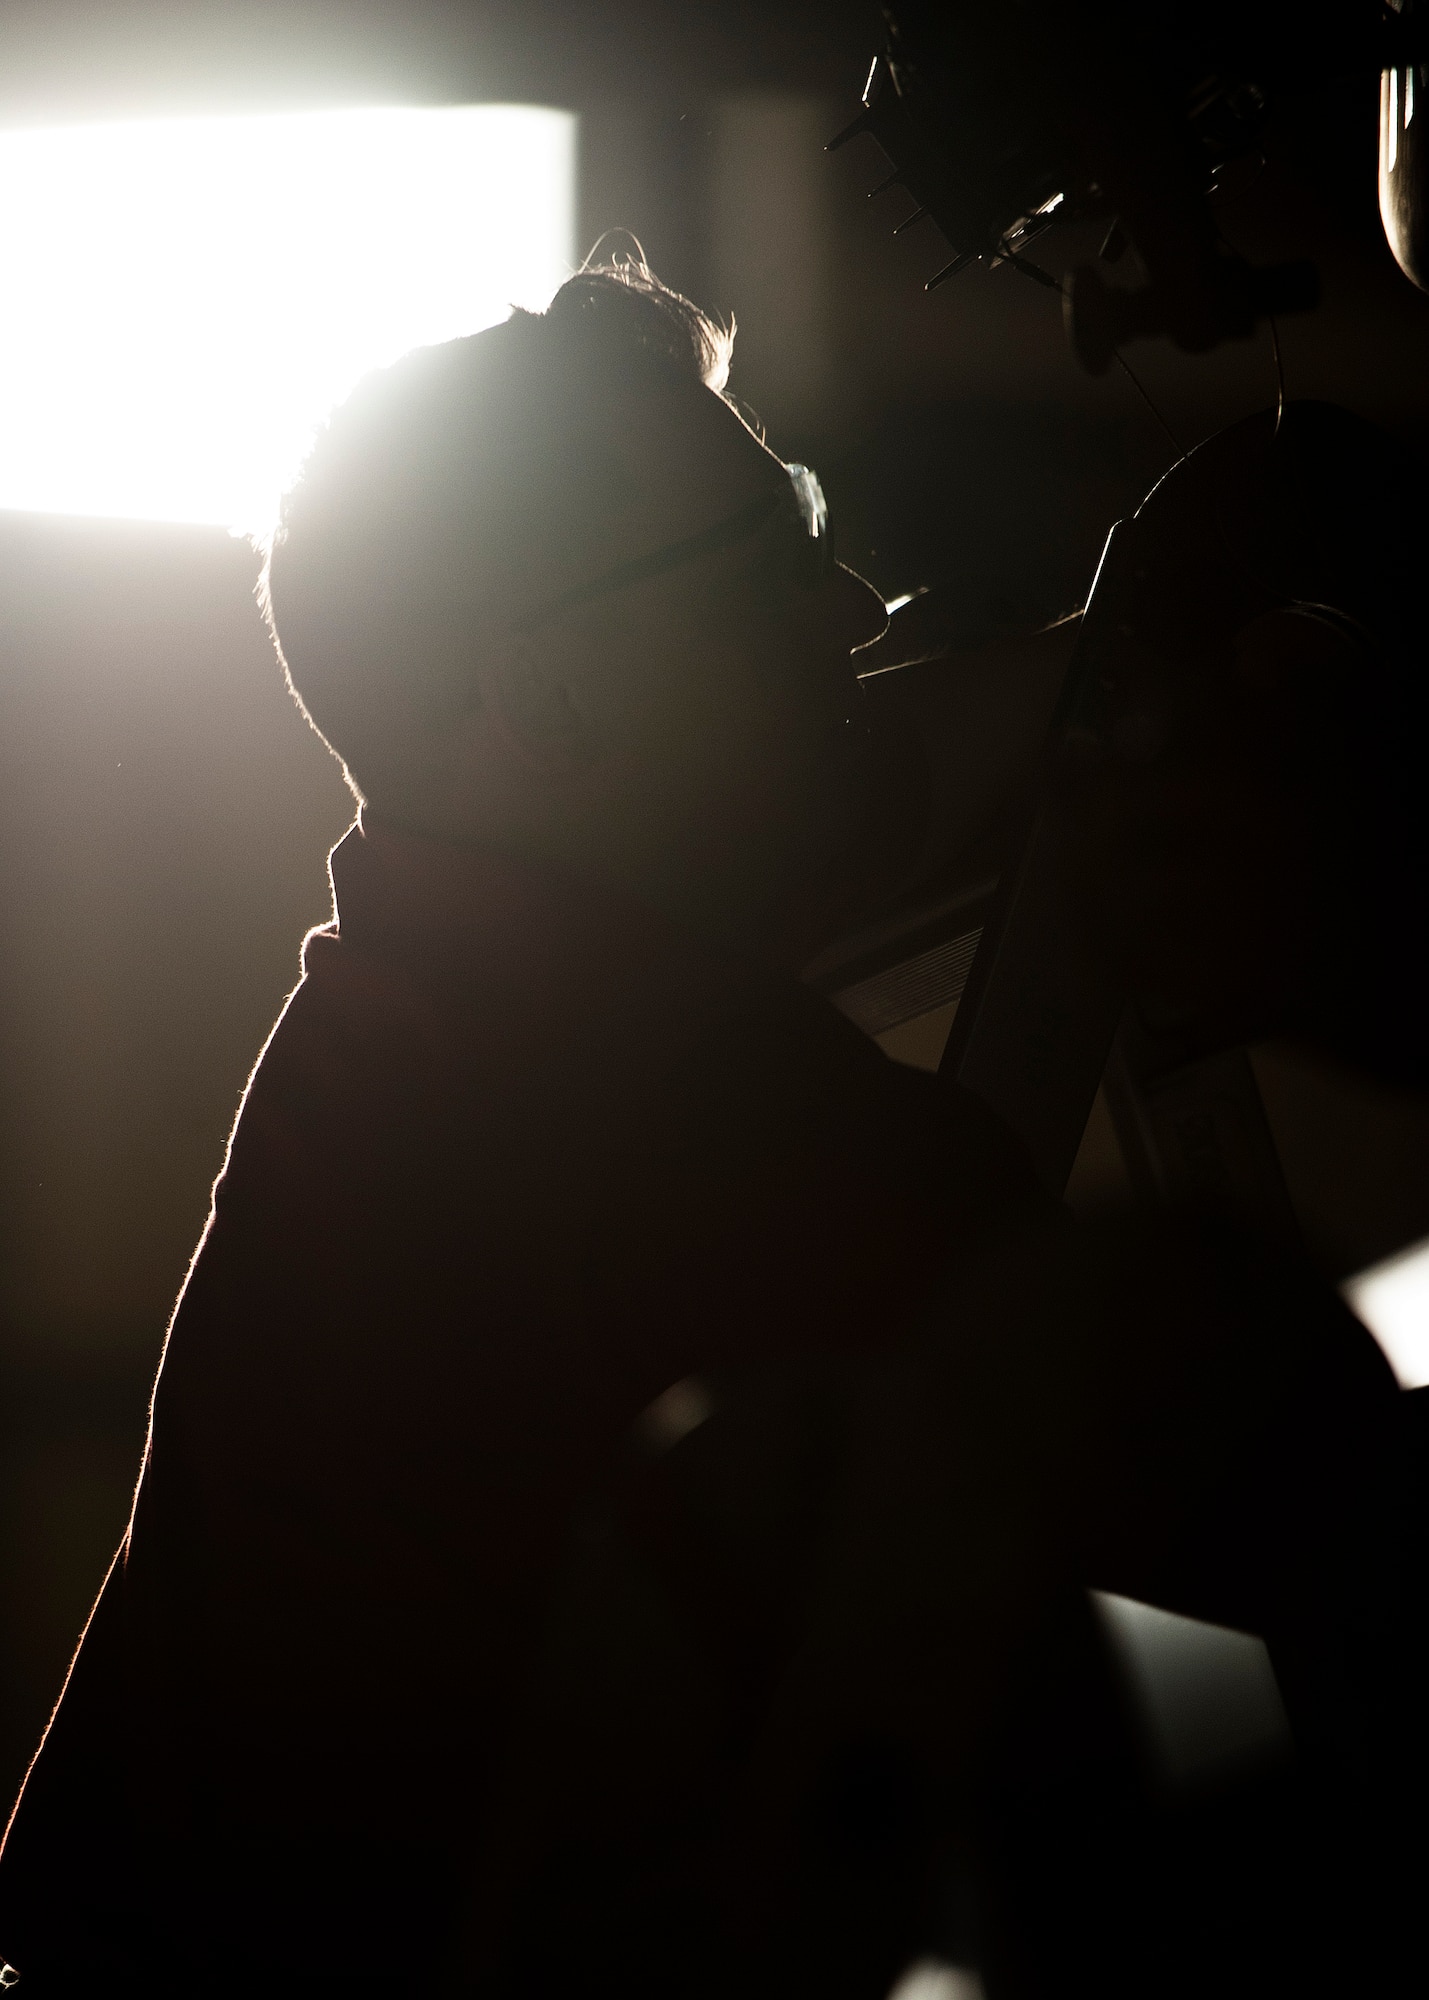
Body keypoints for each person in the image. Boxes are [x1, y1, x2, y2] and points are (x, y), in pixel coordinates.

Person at [0, 258, 1418, 1997]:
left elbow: (863, 785)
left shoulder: (410, 1016)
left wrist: (1139, 643)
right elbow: (1279, 1593)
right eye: (762, 552)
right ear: (553, 697)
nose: (843, 595)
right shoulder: (715, 1149)